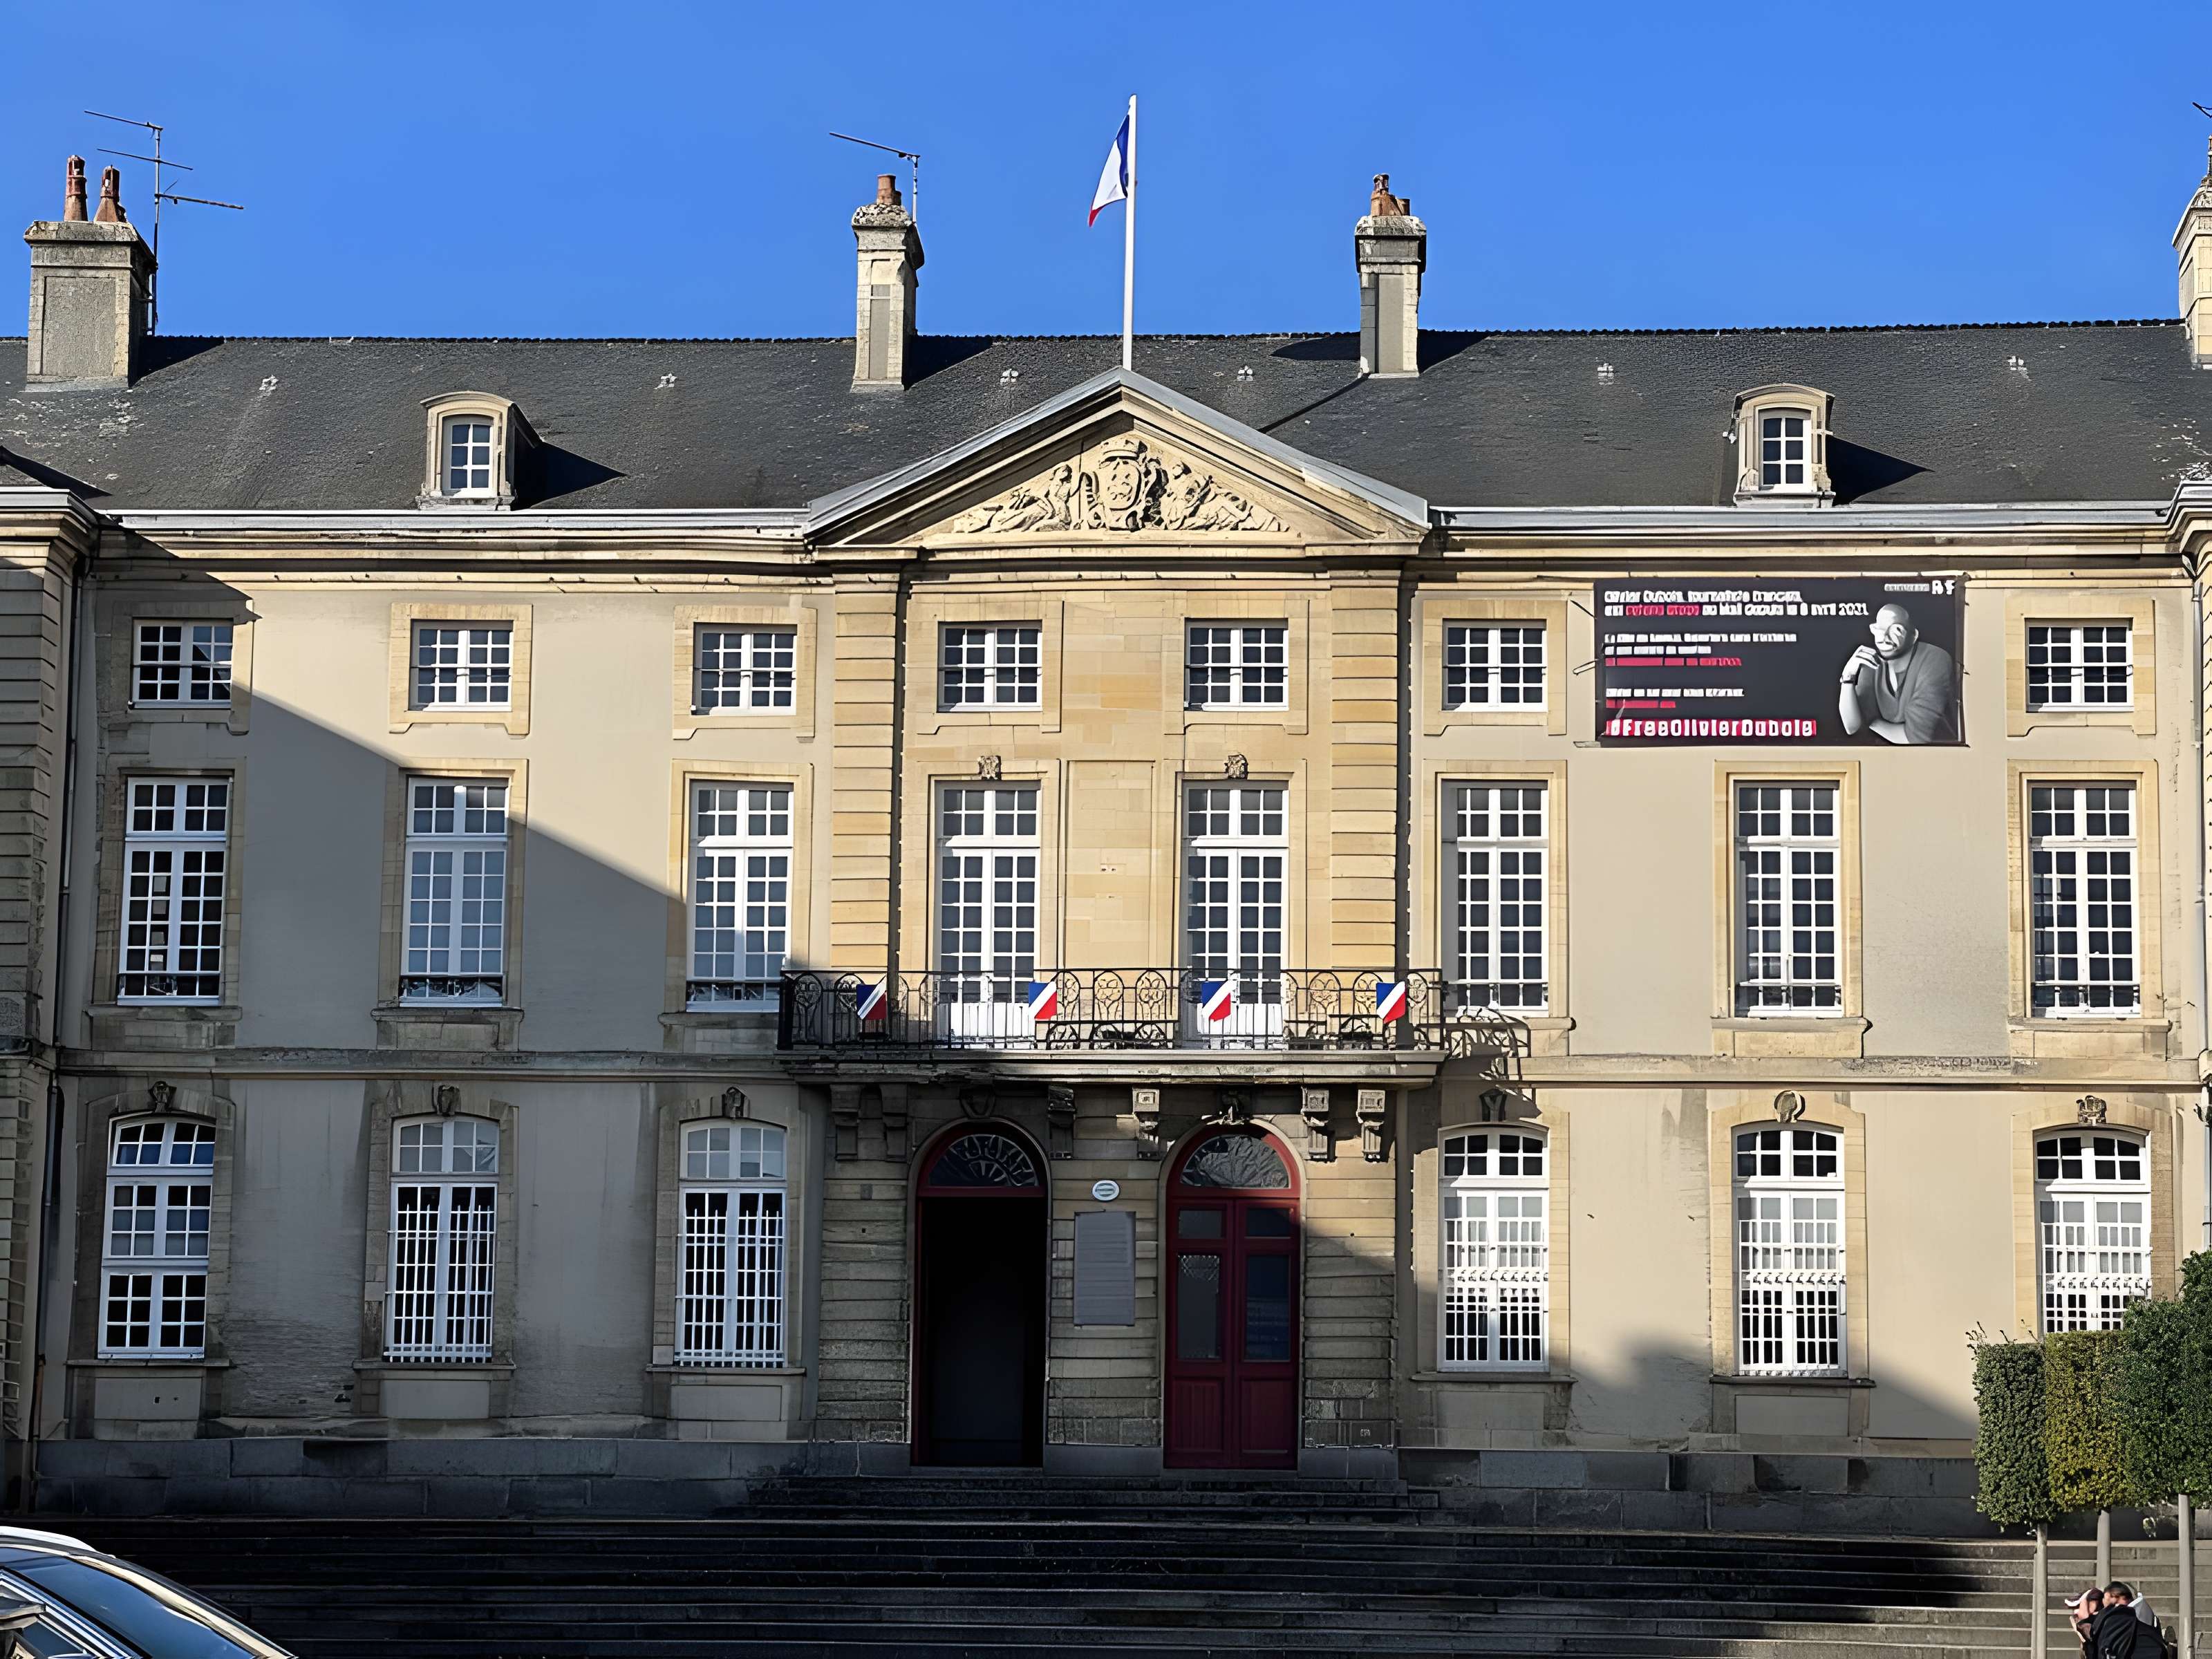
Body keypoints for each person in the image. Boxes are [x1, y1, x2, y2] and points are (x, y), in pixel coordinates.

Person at [1837, 601, 1959, 744]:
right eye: (1879, 630)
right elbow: (1852, 727)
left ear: (1914, 636)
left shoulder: (1934, 658)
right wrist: (1848, 676)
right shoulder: (1872, 663)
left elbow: (1916, 738)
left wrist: (1871, 721)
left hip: (1939, 753)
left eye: (1896, 630)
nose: (1884, 638)